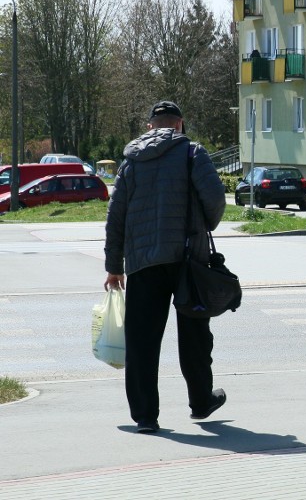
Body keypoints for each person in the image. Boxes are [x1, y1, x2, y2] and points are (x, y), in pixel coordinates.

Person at [104, 100, 227, 434]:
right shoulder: (192, 153)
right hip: (189, 260)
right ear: (179, 125)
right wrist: (205, 225)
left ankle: (146, 416)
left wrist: (114, 266)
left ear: (149, 128)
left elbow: (116, 217)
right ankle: (201, 401)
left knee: (142, 340)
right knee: (194, 334)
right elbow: (215, 200)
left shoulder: (130, 161)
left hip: (143, 262)